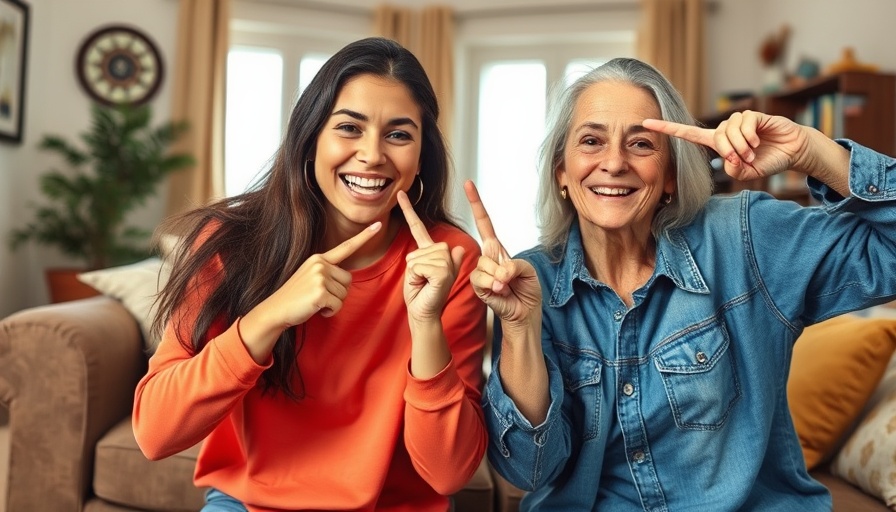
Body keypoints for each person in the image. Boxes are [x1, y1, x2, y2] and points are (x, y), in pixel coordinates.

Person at [465, 56, 896, 511]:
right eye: (591, 141)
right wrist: (518, 328)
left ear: (670, 174)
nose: (613, 162)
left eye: (641, 144)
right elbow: (530, 470)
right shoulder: (532, 281)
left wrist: (816, 152)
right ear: (562, 174)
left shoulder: (744, 239)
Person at [132, 37, 487, 512]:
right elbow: (155, 433)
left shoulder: (450, 258)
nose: (372, 154)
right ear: (310, 136)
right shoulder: (230, 243)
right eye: (349, 128)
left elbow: (449, 471)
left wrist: (425, 325)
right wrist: (270, 315)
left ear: (421, 156)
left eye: (398, 134)